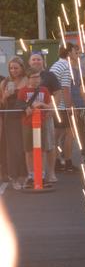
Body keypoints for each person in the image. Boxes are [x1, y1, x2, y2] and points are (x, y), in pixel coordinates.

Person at [16, 67, 53, 189]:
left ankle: (42, 175)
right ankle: (31, 175)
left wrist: (42, 104)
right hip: (27, 124)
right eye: (33, 77)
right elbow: (19, 105)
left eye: (38, 77)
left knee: (42, 150)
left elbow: (49, 106)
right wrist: (26, 108)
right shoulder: (23, 91)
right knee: (29, 151)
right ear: (28, 79)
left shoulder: (44, 90)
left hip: (41, 123)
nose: (36, 80)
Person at [28, 52, 60, 184]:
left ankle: (51, 172)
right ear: (29, 62)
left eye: (38, 59)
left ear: (43, 61)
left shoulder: (50, 76)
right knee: (31, 146)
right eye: (33, 59)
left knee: (49, 145)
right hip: (29, 118)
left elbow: (58, 93)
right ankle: (34, 173)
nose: (36, 62)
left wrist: (52, 108)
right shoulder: (27, 75)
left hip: (46, 115)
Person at [0, 57, 28, 189]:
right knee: (13, 148)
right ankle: (14, 177)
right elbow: (2, 103)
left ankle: (26, 175)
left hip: (24, 115)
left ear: (22, 68)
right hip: (10, 116)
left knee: (25, 146)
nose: (13, 70)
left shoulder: (27, 80)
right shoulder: (5, 82)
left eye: (16, 68)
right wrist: (5, 95)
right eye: (11, 68)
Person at [49, 44, 75, 173]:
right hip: (62, 107)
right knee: (70, 134)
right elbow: (65, 89)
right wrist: (70, 107)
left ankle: (57, 161)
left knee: (56, 136)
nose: (78, 54)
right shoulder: (66, 66)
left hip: (55, 105)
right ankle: (68, 162)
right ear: (69, 53)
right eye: (76, 51)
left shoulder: (56, 65)